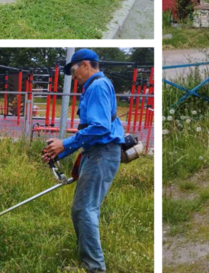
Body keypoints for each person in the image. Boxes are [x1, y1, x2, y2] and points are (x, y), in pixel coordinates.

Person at [43, 49, 125, 273]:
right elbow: (93, 129)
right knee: (82, 209)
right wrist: (61, 151)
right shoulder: (96, 85)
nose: (73, 75)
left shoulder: (97, 86)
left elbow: (100, 127)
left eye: (73, 69)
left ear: (86, 64)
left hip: (102, 153)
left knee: (85, 209)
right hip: (98, 153)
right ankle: (87, 261)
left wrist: (66, 143)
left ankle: (94, 268)